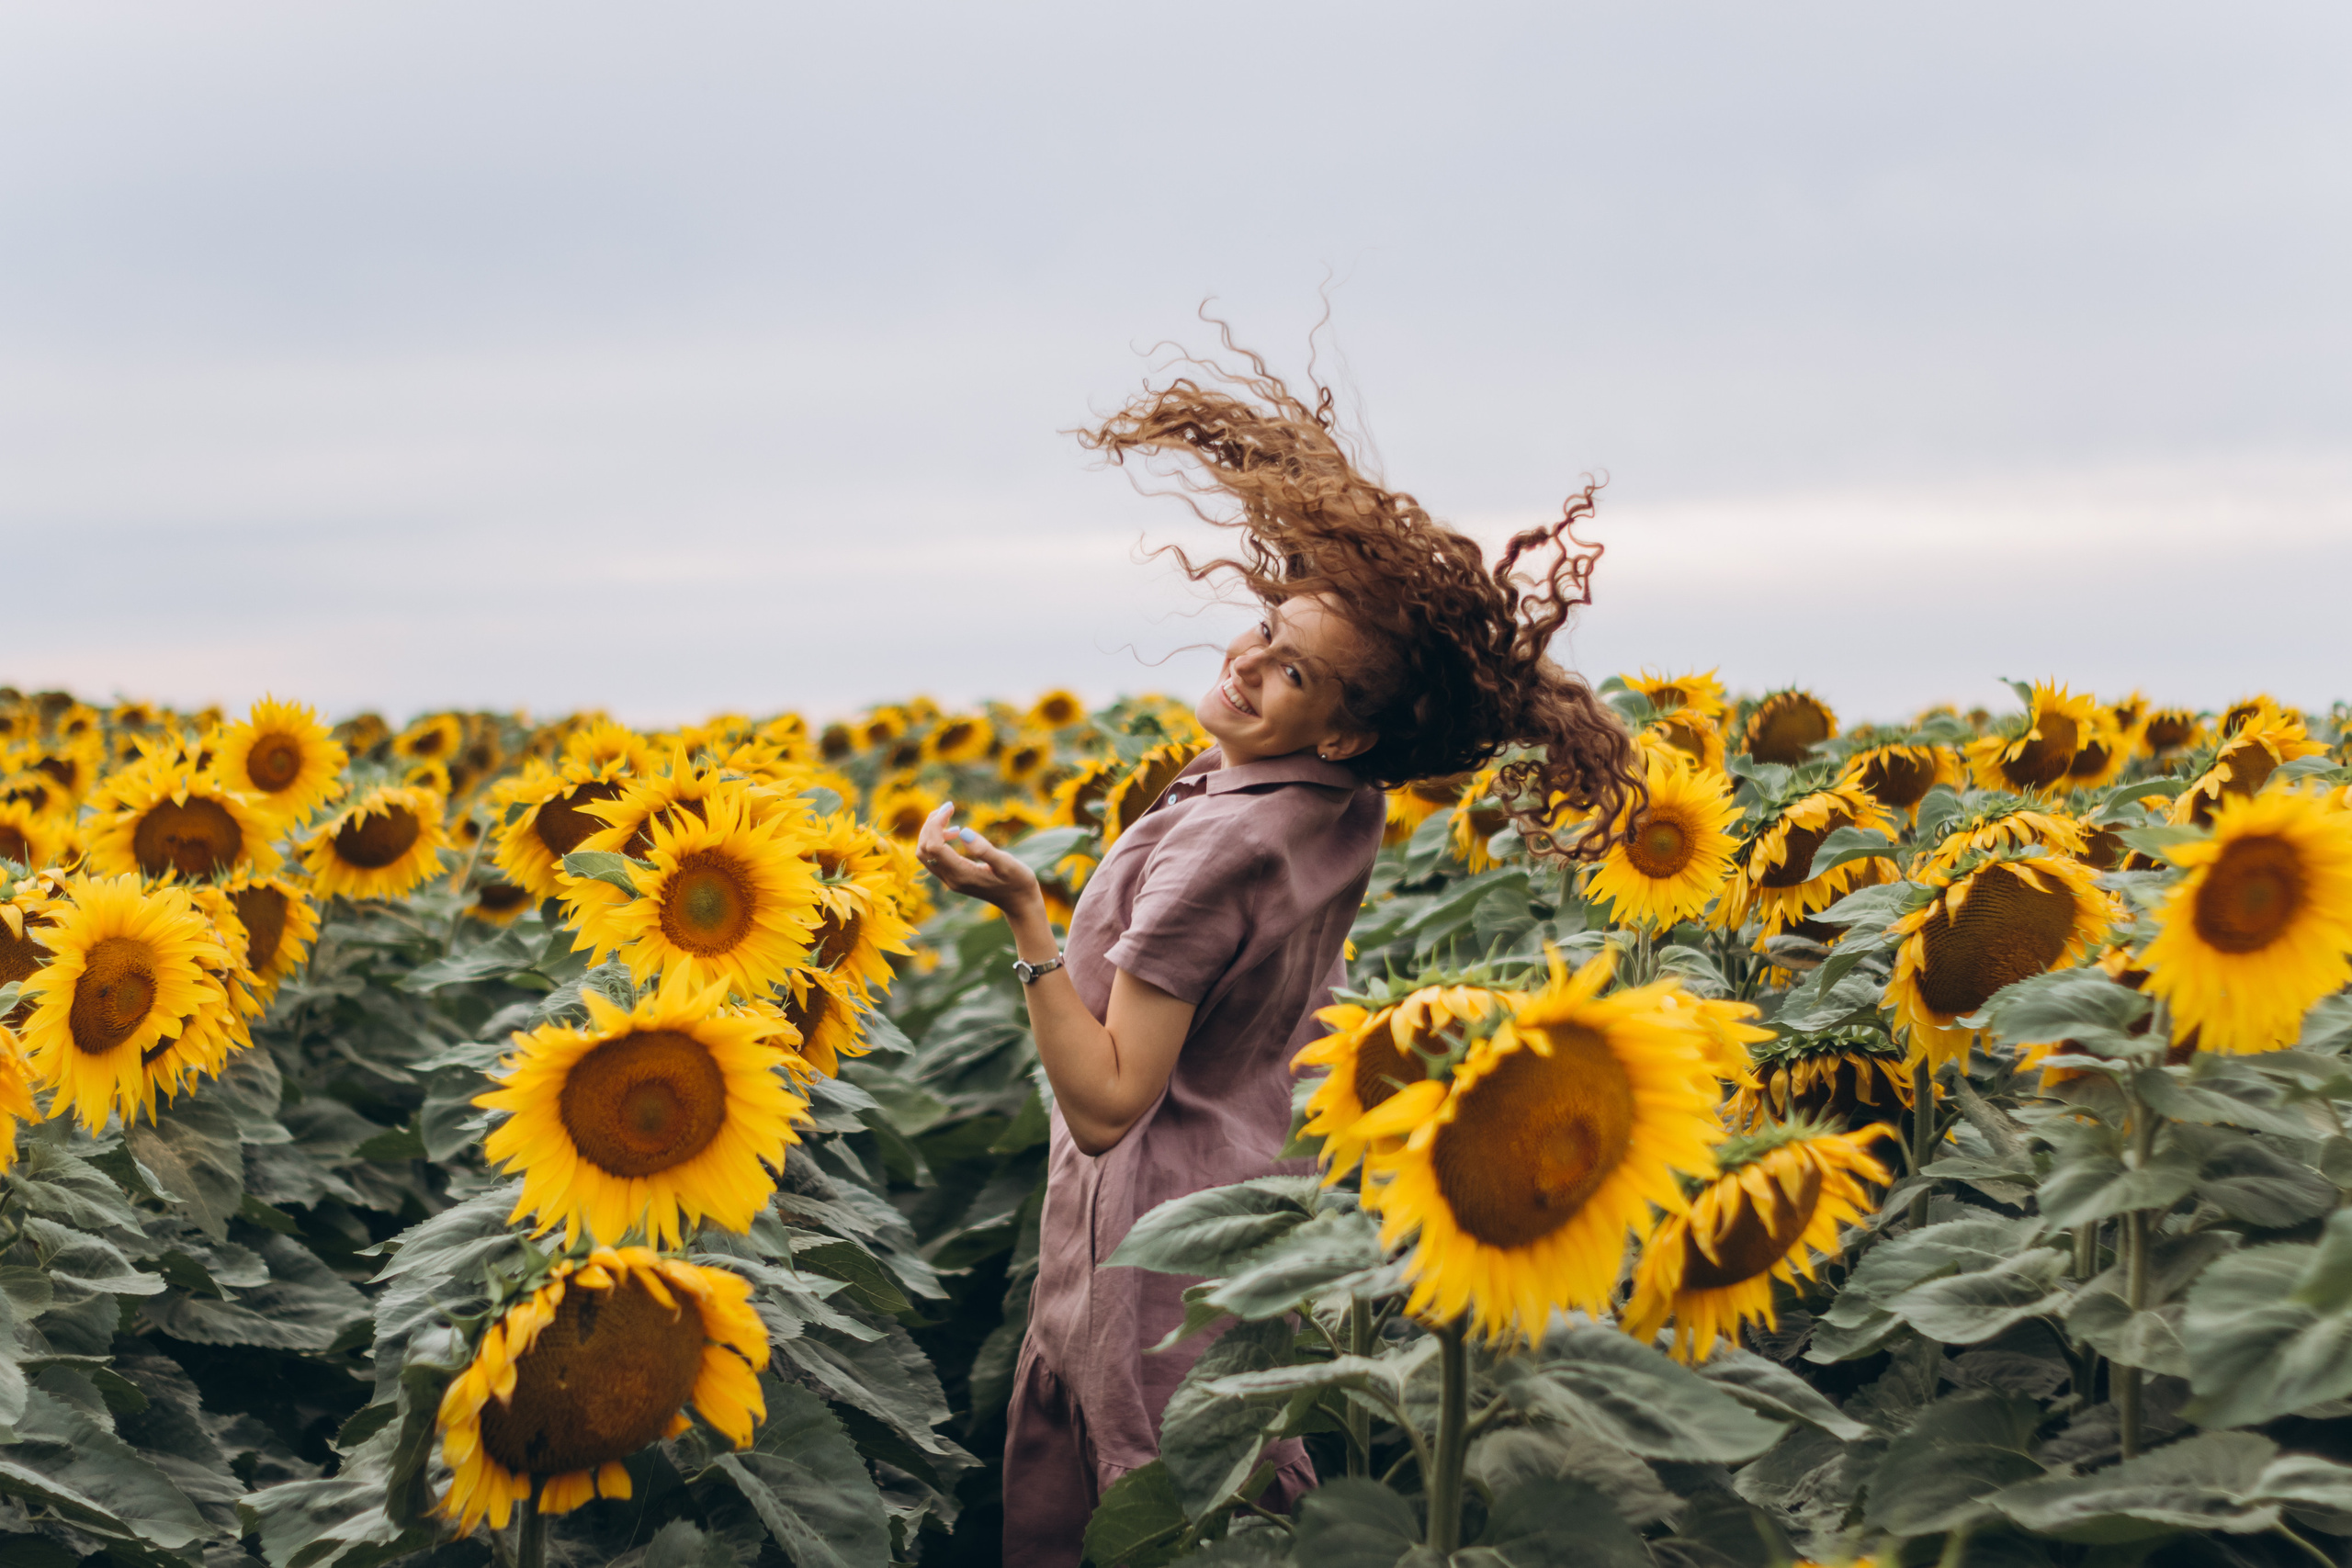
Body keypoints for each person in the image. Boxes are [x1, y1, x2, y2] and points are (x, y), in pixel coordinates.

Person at [914, 349, 1640, 1567]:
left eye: (1292, 669)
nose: (1248, 662)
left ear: (1346, 725)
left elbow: (1103, 1105)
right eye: (1265, 630)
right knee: (1239, 1475)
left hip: (1149, 1251)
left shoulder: (1223, 853)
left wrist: (1028, 917)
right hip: (1252, 1212)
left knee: (1171, 1519)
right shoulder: (1331, 807)